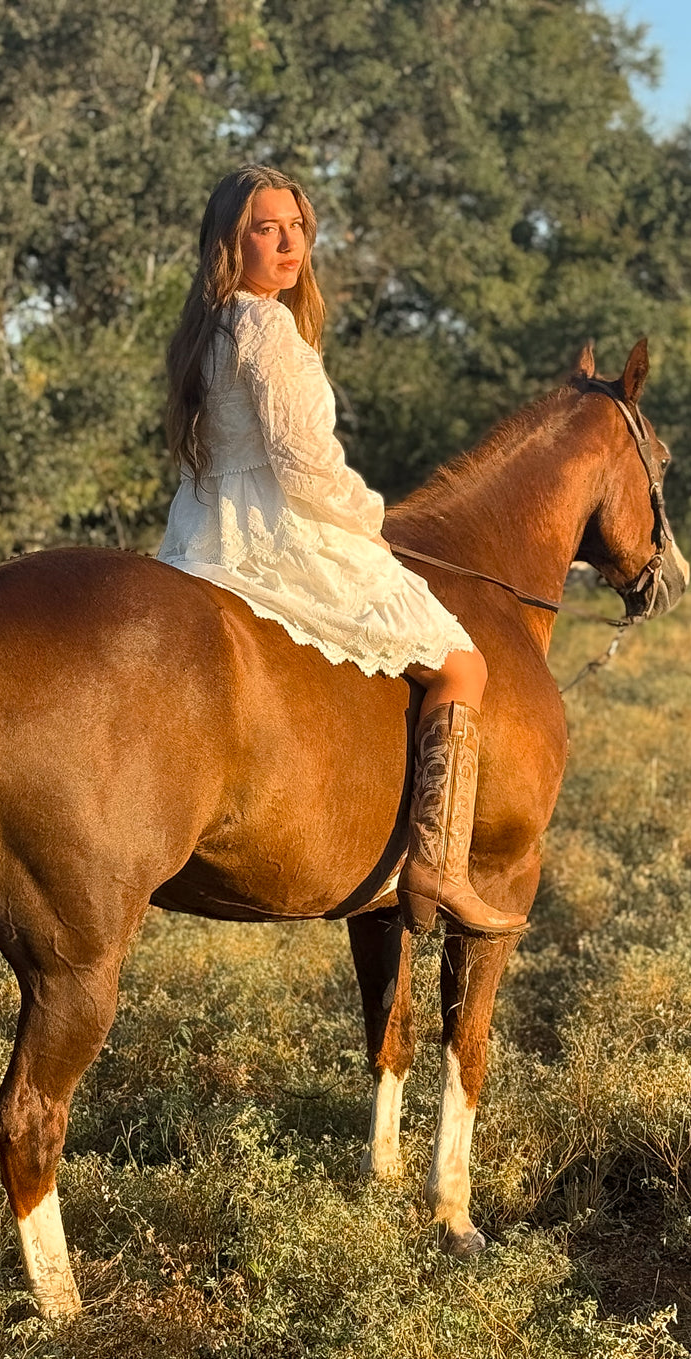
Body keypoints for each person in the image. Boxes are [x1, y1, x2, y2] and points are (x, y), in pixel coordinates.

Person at [158, 165, 525, 937]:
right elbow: (303, 467)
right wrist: (369, 515)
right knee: (463, 663)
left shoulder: (210, 324)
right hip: (276, 531)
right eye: (266, 228)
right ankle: (438, 865)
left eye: (296, 227)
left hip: (202, 533)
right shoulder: (265, 327)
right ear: (233, 240)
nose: (289, 243)